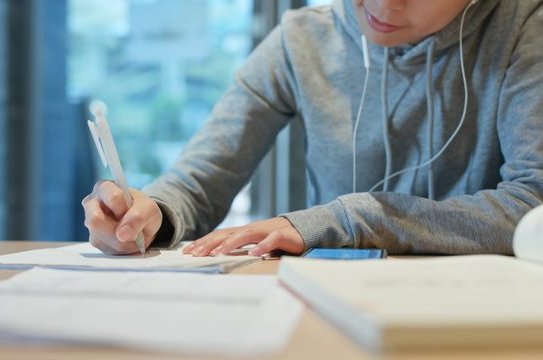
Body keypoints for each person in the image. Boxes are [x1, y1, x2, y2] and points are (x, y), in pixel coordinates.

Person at [82, 0, 543, 257]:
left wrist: (350, 219)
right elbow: (200, 181)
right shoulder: (303, 39)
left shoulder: (525, 30)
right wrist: (149, 214)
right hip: (335, 302)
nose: (385, 3)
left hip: (486, 309)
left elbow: (532, 204)